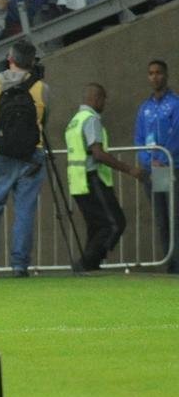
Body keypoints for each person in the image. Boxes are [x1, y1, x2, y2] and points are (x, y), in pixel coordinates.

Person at [0, 40, 49, 278]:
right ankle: (20, 266)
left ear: (10, 58)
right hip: (31, 155)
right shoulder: (42, 88)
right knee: (24, 211)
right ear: (32, 61)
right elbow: (43, 122)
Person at [66, 83, 147, 271]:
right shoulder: (91, 120)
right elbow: (98, 153)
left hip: (78, 181)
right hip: (92, 178)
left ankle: (90, 267)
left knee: (95, 226)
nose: (105, 103)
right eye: (103, 98)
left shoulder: (75, 120)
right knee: (115, 223)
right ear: (96, 98)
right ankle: (86, 264)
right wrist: (129, 170)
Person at [134, 59, 179, 273]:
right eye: (151, 73)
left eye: (159, 72)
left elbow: (177, 134)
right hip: (154, 172)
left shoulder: (176, 104)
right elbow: (139, 138)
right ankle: (170, 262)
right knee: (162, 217)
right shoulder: (145, 108)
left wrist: (164, 156)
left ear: (166, 75)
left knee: (175, 215)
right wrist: (146, 160)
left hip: (171, 167)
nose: (155, 77)